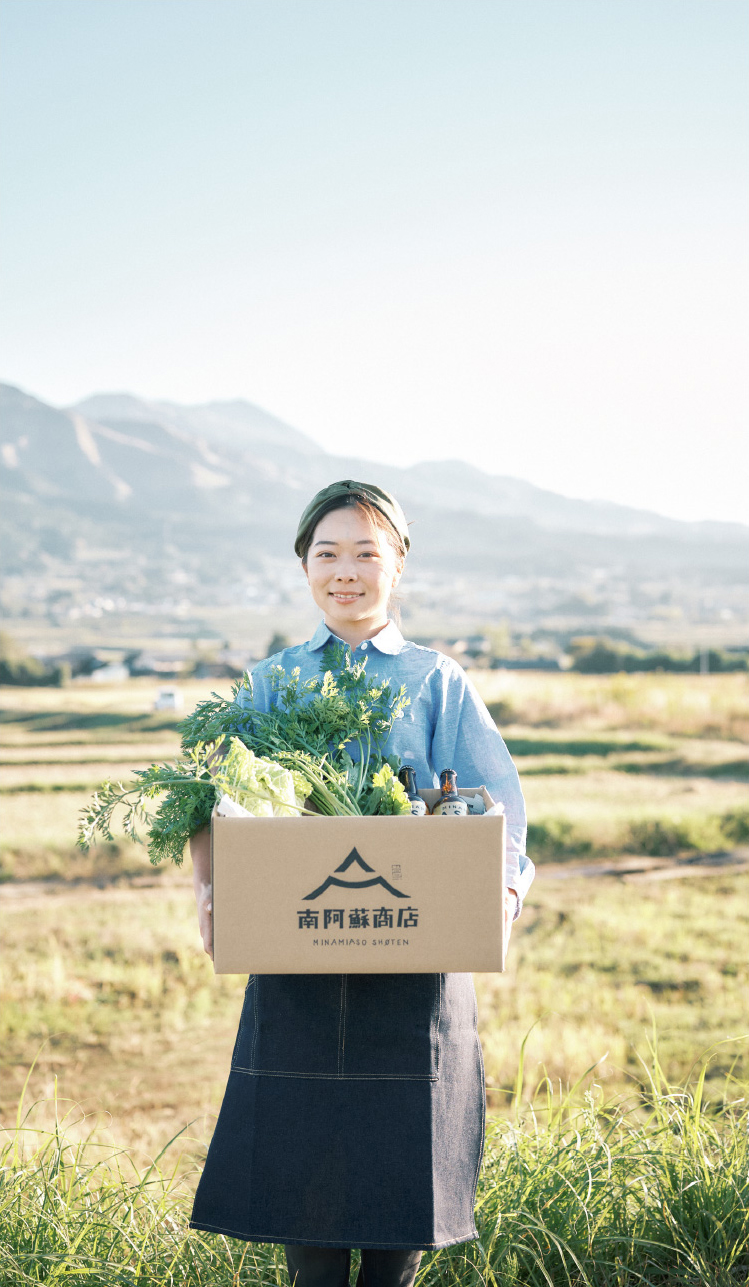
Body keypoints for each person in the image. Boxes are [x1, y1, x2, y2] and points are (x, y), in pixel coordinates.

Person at [188, 480, 534, 1287]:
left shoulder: (435, 679)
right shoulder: (271, 681)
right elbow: (213, 802)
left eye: (365, 553)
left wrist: (503, 892)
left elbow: (502, 805)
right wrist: (208, 887)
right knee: (303, 1210)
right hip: (298, 954)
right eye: (327, 553)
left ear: (398, 565)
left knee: (398, 1215)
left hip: (417, 966)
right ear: (303, 566)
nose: (345, 571)